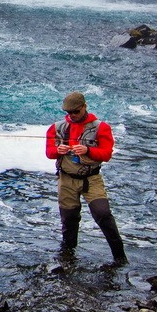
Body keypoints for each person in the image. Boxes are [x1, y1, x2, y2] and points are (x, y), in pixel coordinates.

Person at [46, 91, 127, 265]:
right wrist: (57, 151)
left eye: (76, 111)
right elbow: (49, 153)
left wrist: (88, 150)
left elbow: (106, 154)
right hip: (66, 179)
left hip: (91, 179)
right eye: (69, 113)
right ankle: (68, 256)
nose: (73, 116)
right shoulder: (56, 128)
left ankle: (120, 257)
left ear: (84, 107)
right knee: (69, 219)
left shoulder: (101, 127)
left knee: (103, 214)